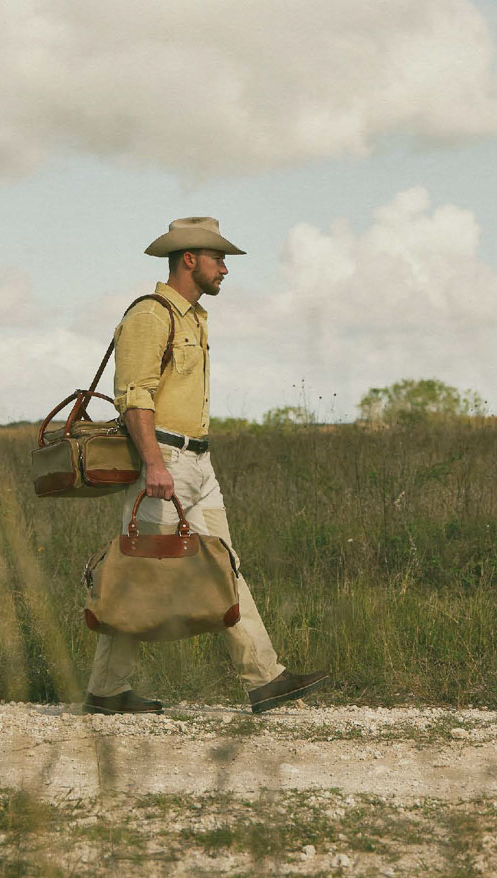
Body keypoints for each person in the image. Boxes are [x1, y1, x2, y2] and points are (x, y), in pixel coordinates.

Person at [83, 216, 327, 716]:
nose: (225, 270)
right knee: (140, 575)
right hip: (163, 460)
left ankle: (264, 678)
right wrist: (153, 463)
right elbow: (134, 398)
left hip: (198, 461)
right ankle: (107, 689)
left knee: (224, 564)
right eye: (219, 260)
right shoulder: (151, 315)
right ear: (189, 259)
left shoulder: (194, 317)